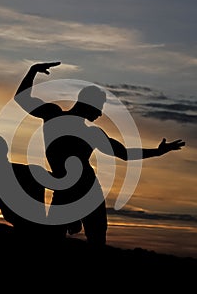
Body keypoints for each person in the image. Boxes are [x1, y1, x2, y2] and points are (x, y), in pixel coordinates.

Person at [14, 61, 185, 247]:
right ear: (87, 104)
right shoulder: (54, 115)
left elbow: (124, 154)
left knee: (96, 240)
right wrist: (32, 71)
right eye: (99, 107)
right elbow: (21, 99)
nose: (101, 113)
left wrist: (158, 152)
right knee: (52, 240)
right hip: (65, 191)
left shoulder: (92, 133)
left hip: (89, 192)